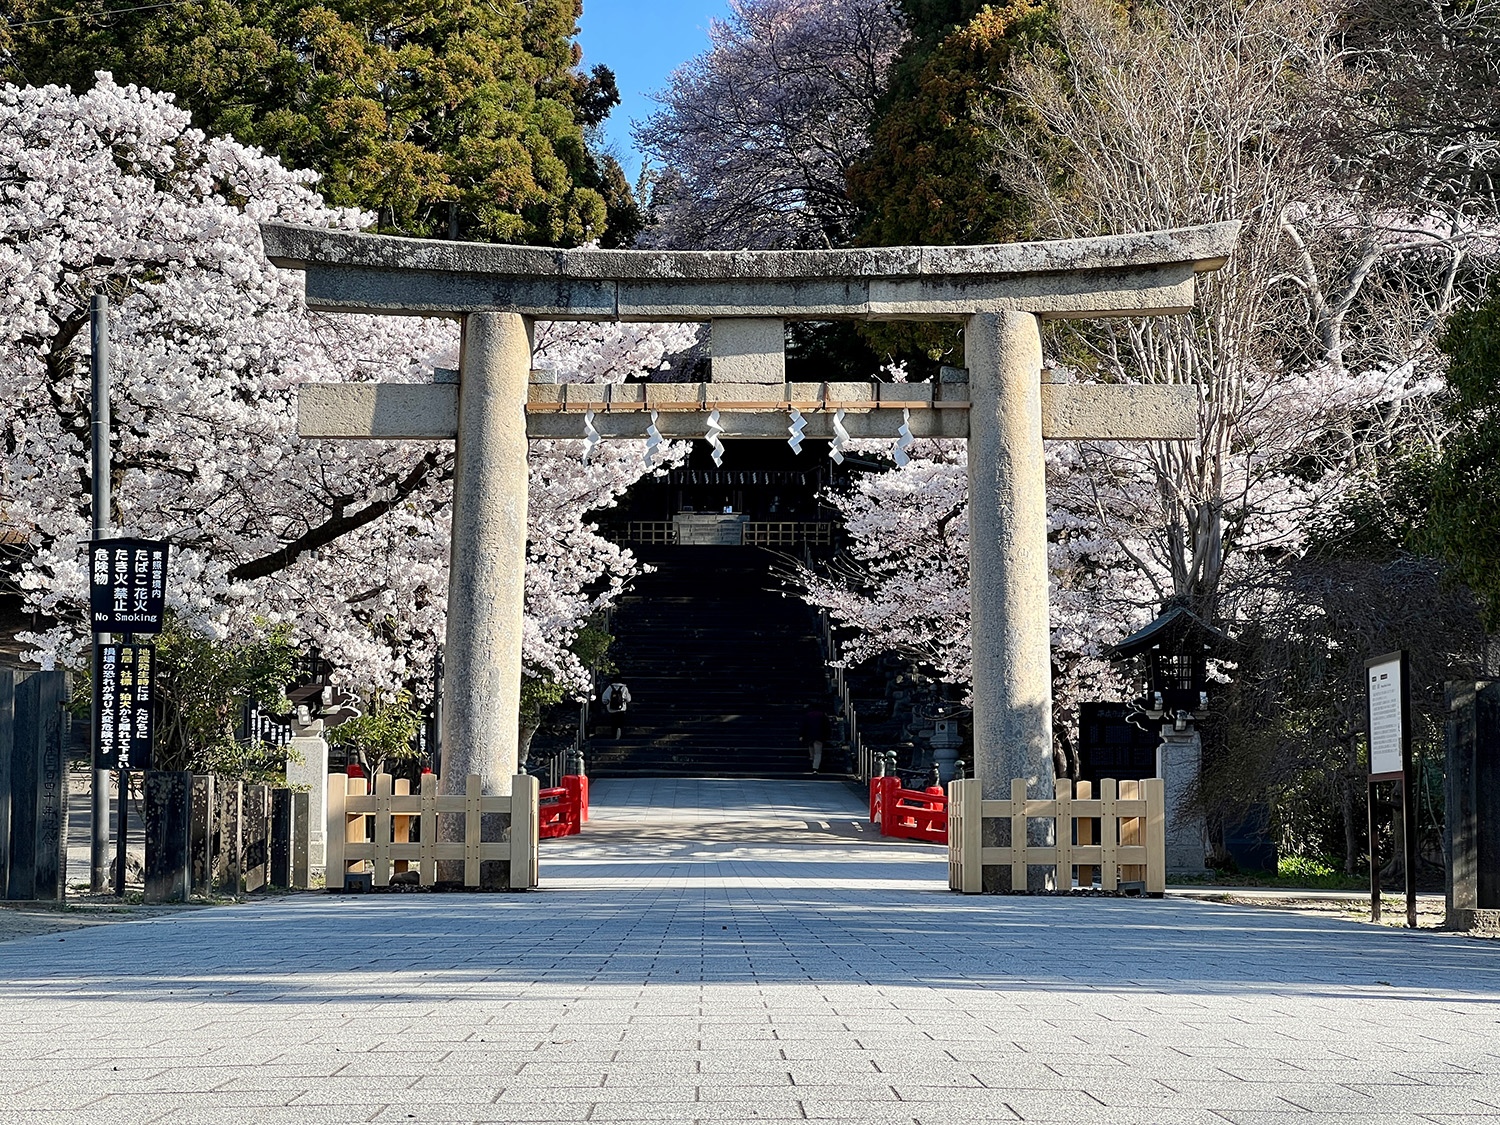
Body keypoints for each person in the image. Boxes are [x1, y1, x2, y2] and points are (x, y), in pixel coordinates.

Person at [801, 706, 831, 772]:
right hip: (819, 736)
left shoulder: (808, 715)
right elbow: (827, 727)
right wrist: (827, 736)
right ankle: (815, 767)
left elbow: (803, 726)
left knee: (811, 751)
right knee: (818, 752)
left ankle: (812, 761)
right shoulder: (823, 716)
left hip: (809, 736)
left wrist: (801, 735)